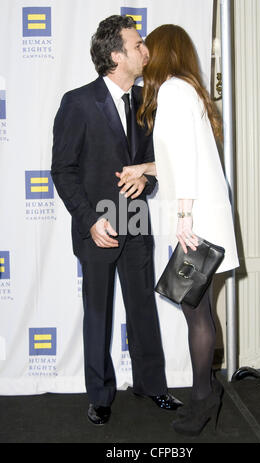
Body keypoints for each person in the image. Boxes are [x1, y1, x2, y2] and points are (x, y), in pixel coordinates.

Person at [51, 16, 182, 427]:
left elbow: (161, 165)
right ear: (115, 56)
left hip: (137, 220)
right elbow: (63, 169)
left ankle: (152, 385)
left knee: (143, 307)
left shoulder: (148, 99)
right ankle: (100, 394)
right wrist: (89, 220)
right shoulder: (77, 102)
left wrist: (146, 178)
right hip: (99, 227)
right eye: (138, 45)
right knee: (98, 312)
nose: (146, 51)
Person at [117, 24, 240, 436]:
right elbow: (179, 157)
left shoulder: (170, 91)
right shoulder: (186, 90)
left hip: (195, 220)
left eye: (150, 46)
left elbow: (184, 161)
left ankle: (203, 400)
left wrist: (184, 220)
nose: (146, 52)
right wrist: (145, 168)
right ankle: (206, 396)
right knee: (200, 310)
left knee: (195, 314)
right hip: (206, 215)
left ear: (164, 50)